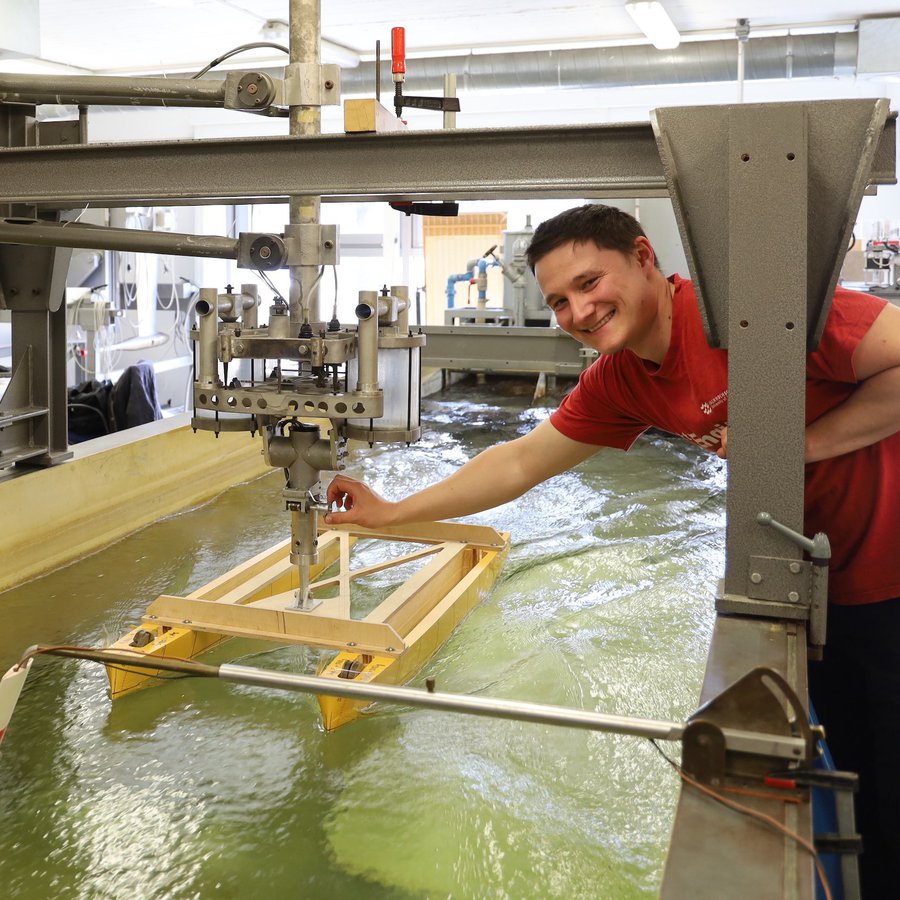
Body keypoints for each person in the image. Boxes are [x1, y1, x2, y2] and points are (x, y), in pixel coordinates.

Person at [325, 204, 900, 895]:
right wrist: (392, 514)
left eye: (590, 282)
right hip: (819, 584)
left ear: (643, 256)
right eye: (559, 301)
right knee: (863, 786)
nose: (579, 310)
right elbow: (519, 462)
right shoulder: (626, 376)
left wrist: (800, 446)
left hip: (890, 577)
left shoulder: (751, 319)